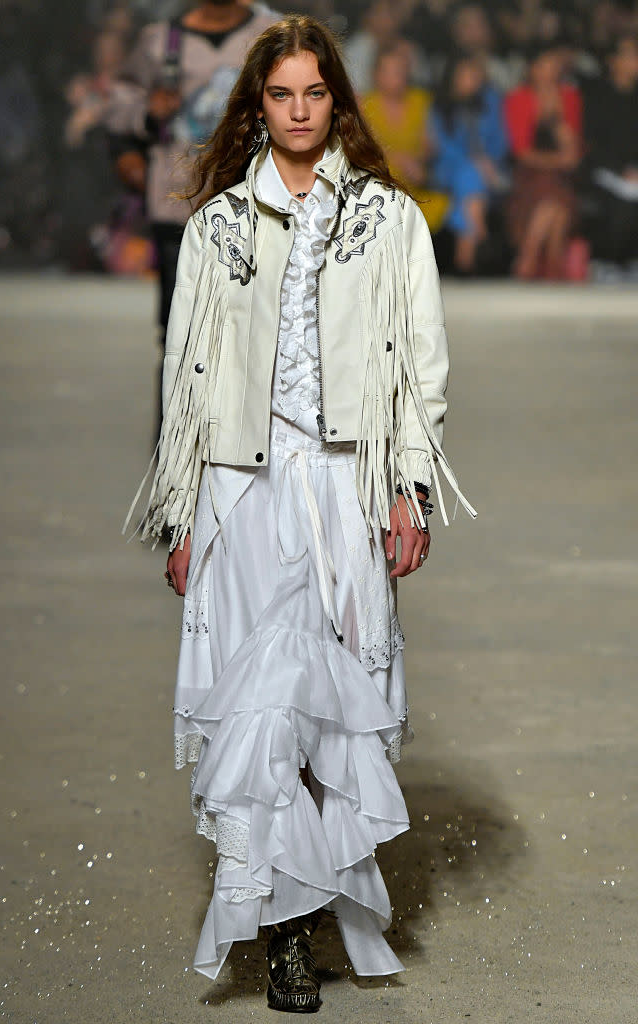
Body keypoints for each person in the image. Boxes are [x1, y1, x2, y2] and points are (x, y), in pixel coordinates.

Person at [126, 14, 474, 1014]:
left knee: (329, 716)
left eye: (312, 94)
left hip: (342, 486)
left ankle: (305, 909)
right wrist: (183, 514)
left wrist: (408, 486)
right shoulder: (216, 228)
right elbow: (185, 378)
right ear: (256, 103)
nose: (296, 111)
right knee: (262, 717)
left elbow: (421, 364)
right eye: (278, 95)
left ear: (336, 101)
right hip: (245, 485)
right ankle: (281, 933)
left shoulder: (387, 219)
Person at [105, 0, 276, 423]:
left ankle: (247, 442)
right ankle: (176, 451)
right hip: (179, 206)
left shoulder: (273, 33)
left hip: (258, 203)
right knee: (180, 333)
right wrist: (144, 119)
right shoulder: (161, 42)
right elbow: (120, 106)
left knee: (260, 331)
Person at [582, 34, 638, 282]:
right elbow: (592, 142)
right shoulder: (597, 94)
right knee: (620, 198)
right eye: (630, 55)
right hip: (607, 169)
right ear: (613, 61)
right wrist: (620, 169)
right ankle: (608, 261)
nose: (637, 61)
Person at [504, 41, 582, 280]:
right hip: (528, 174)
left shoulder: (569, 97)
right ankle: (548, 260)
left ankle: (529, 257)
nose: (551, 70)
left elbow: (573, 147)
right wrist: (559, 161)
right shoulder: (519, 98)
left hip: (562, 176)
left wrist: (556, 120)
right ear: (532, 69)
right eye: (545, 65)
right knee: (554, 197)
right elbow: (522, 153)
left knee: (554, 196)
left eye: (555, 64)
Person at [431, 52, 510, 271]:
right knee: (469, 174)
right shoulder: (440, 106)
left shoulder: (491, 101)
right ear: (453, 77)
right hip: (449, 169)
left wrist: (488, 163)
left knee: (470, 184)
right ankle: (479, 240)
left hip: (490, 170)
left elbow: (501, 140)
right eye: (466, 74)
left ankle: (464, 257)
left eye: (476, 73)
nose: (473, 78)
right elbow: (444, 149)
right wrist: (476, 163)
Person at [361, 41, 450, 233]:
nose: (397, 78)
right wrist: (399, 159)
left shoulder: (421, 100)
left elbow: (431, 145)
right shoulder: (364, 104)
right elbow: (363, 149)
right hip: (380, 183)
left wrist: (416, 161)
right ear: (376, 74)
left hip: (416, 180)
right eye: (390, 72)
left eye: (401, 71)